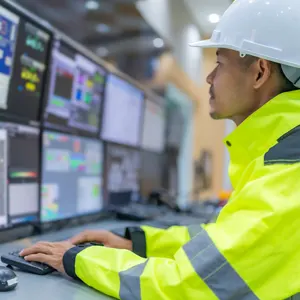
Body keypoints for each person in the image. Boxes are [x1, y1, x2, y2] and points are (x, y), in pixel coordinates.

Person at [20, 0, 300, 298]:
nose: (208, 78)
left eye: (219, 63)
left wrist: (77, 258)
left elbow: (184, 284)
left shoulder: (288, 175)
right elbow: (223, 246)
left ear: (259, 72)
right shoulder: (279, 157)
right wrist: (137, 244)